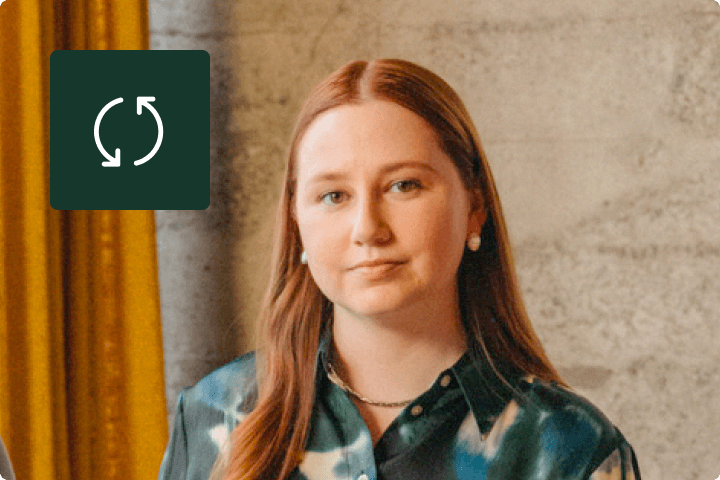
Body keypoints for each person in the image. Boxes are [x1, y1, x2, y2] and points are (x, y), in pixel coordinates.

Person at [158, 58, 641, 480]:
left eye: (404, 185)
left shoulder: (569, 449)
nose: (368, 228)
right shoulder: (212, 418)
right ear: (296, 221)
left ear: (475, 206)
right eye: (333, 196)